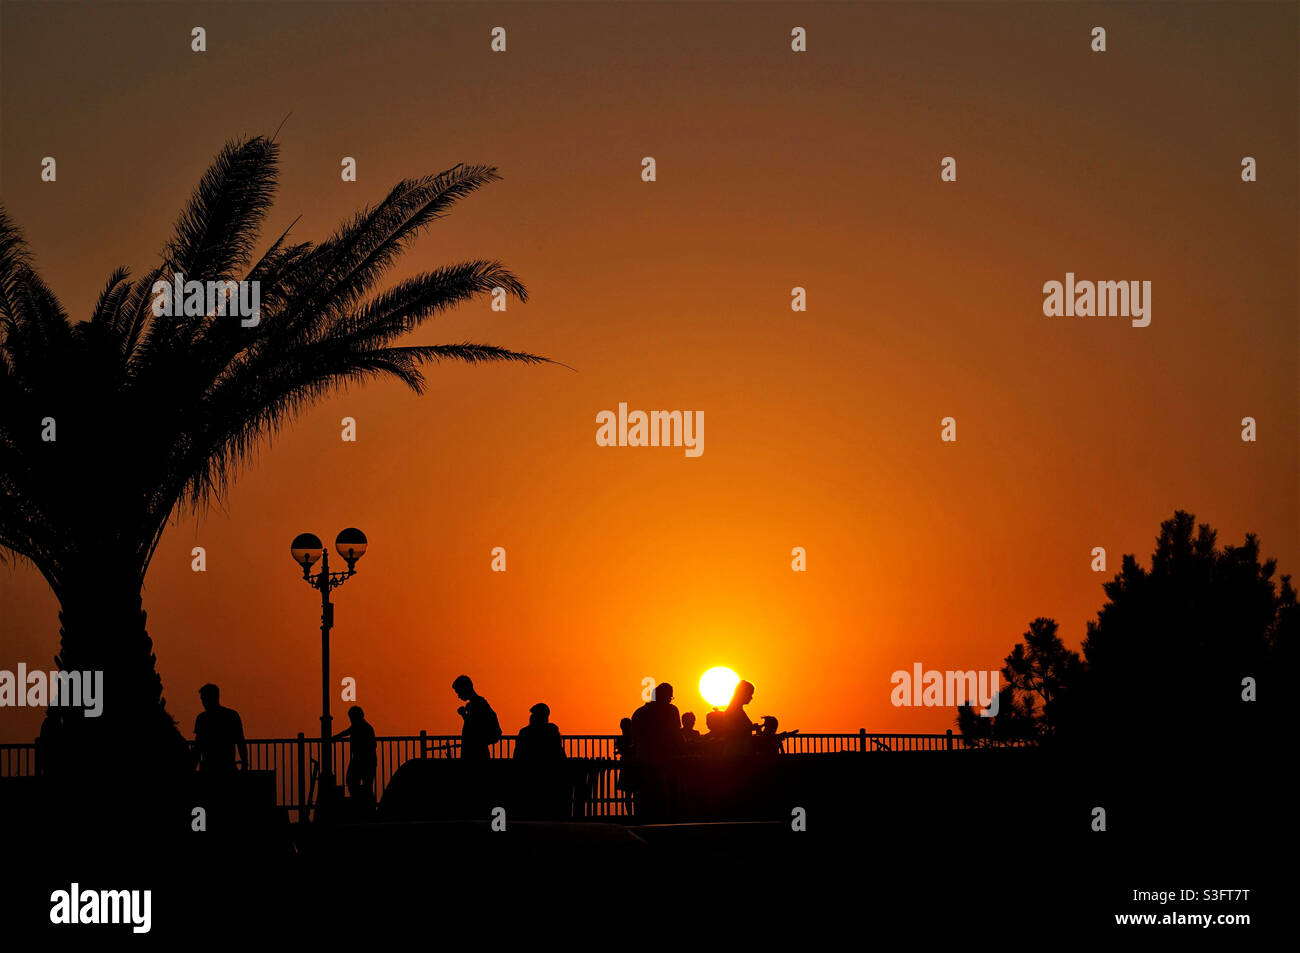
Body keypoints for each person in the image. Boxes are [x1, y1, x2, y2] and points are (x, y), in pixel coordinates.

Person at [193, 683, 247, 773]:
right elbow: (240, 741)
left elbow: (198, 746)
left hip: (209, 767)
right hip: (228, 766)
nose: (203, 702)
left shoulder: (202, 718)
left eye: (204, 699)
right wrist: (244, 764)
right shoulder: (232, 715)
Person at [333, 705, 377, 804]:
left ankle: (362, 804)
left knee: (355, 781)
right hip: (366, 760)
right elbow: (349, 731)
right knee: (364, 784)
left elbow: (349, 731)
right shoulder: (364, 726)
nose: (351, 720)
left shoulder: (362, 726)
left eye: (351, 717)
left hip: (363, 760)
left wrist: (336, 737)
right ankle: (366, 805)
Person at [630, 682, 684, 761]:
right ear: (664, 697)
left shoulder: (639, 712)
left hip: (643, 756)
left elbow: (634, 736)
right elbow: (677, 734)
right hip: (666, 756)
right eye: (669, 697)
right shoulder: (672, 711)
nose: (670, 701)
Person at [452, 675, 501, 760]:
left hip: (476, 753)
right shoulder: (478, 704)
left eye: (458, 692)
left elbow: (475, 727)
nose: (458, 696)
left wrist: (464, 715)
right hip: (478, 752)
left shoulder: (478, 704)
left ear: (465, 689)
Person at [720, 680, 756, 754]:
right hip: (736, 752)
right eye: (750, 694)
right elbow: (731, 731)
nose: (751, 697)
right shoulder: (733, 711)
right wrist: (750, 728)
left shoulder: (737, 710)